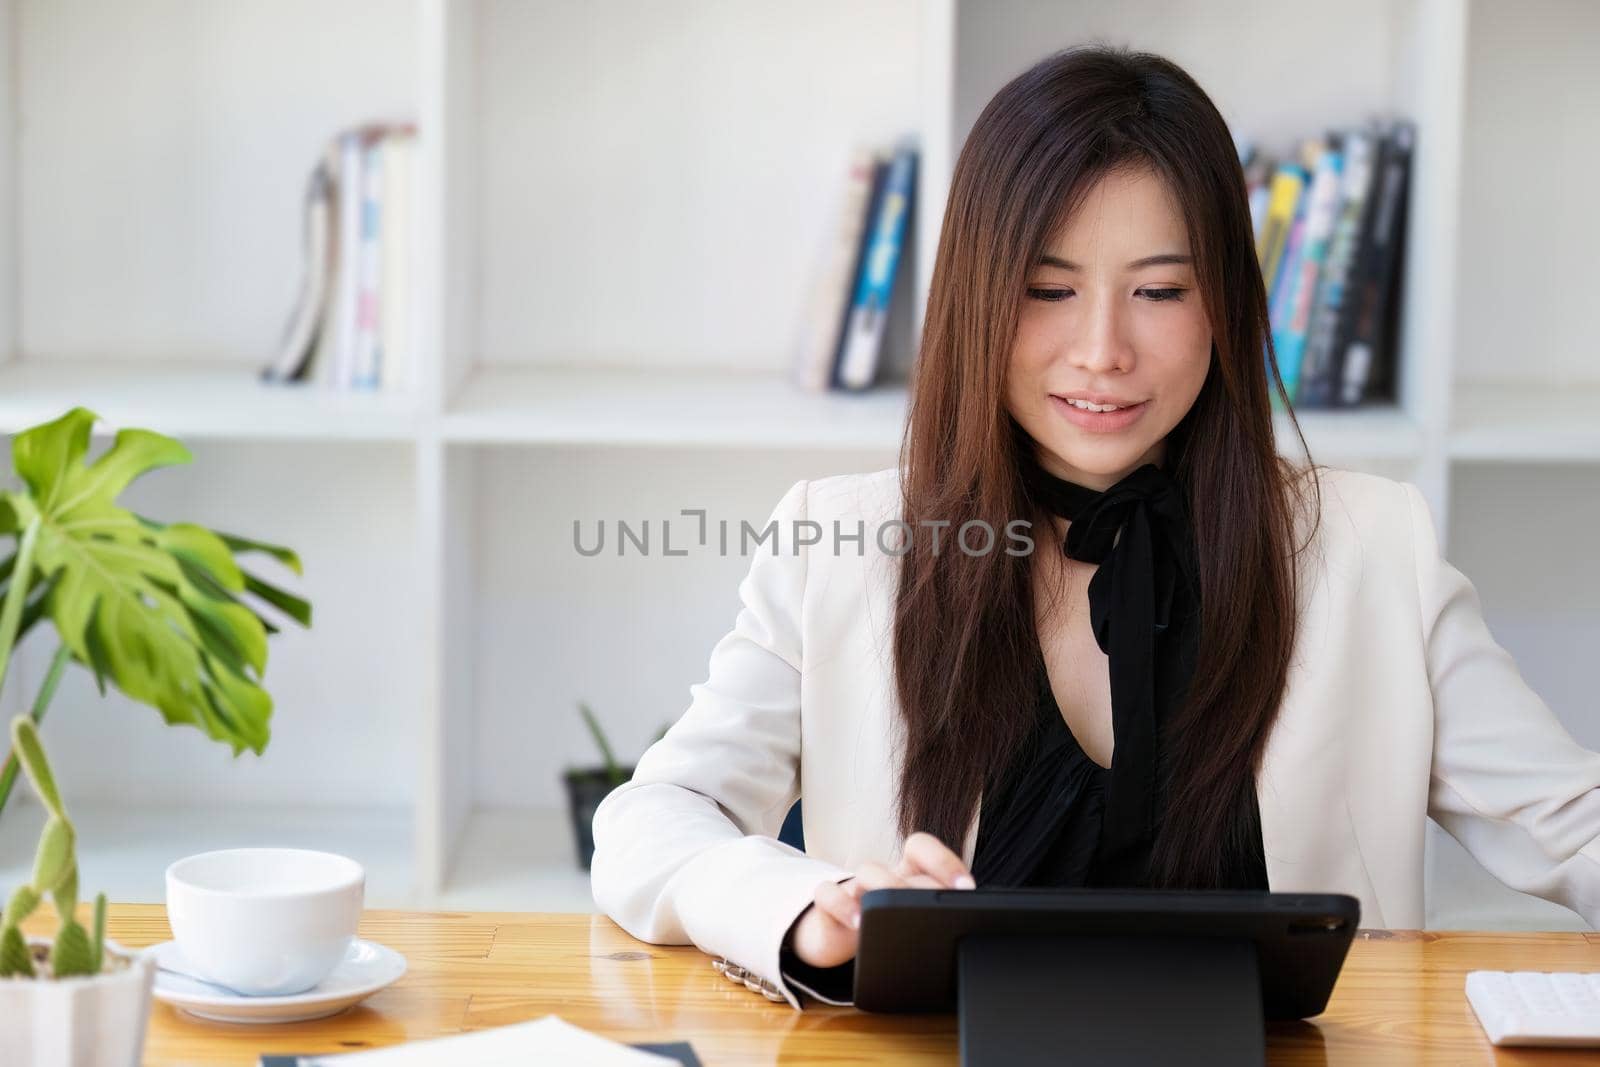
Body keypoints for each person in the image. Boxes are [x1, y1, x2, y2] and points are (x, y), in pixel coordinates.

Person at [590, 44, 1600, 1010]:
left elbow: (1572, 826)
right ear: (977, 298)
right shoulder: (839, 541)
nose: (1101, 350)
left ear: (1225, 307)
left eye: (1159, 290)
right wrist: (809, 908)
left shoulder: (1373, 549)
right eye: (1047, 290)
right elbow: (649, 824)